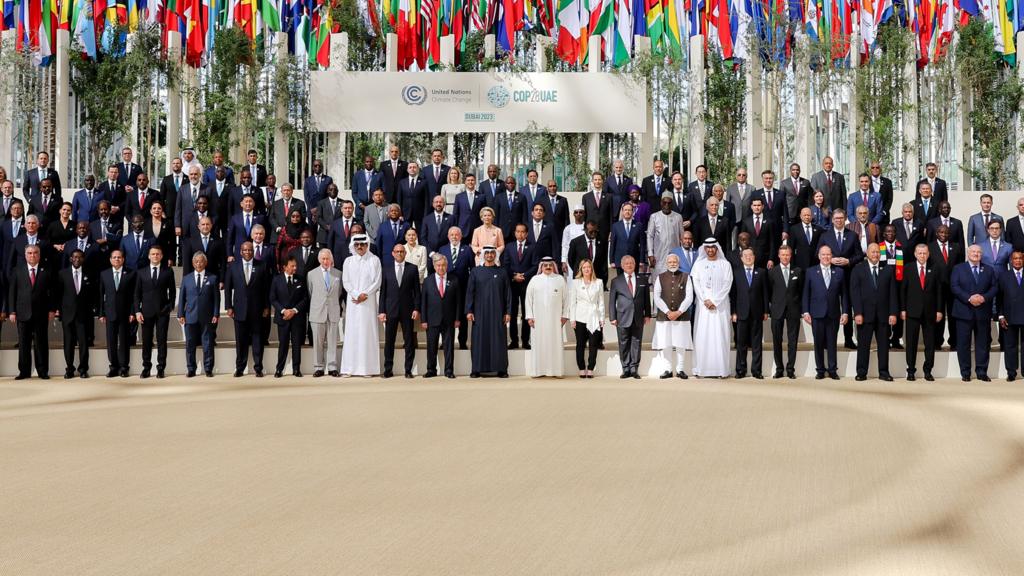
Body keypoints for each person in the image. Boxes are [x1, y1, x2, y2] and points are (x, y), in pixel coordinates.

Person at [849, 244, 898, 381]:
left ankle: (884, 372)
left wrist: (893, 313)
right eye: (873, 252)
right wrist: (857, 313)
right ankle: (861, 372)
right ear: (867, 253)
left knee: (883, 346)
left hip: (883, 315)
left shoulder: (888, 270)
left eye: (877, 252)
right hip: (864, 315)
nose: (875, 254)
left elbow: (892, 293)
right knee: (863, 345)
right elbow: (855, 293)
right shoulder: (858, 269)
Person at [8, 245, 57, 379]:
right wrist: (12, 311)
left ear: (39, 255)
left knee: (41, 343)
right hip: (22, 313)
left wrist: (52, 309)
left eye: (35, 253)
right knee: (23, 344)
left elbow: (52, 292)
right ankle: (24, 371)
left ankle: (42, 371)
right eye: (29, 253)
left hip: (41, 313)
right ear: (25, 255)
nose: (32, 255)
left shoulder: (46, 270)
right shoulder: (17, 270)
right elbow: (12, 292)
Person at [951, 245, 997, 382]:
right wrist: (969, 298)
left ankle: (982, 371)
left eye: (978, 252)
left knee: (982, 343)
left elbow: (994, 287)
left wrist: (984, 297)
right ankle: (965, 372)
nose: (976, 254)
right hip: (964, 311)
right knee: (963, 344)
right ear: (968, 253)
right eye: (973, 251)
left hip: (983, 312)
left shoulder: (989, 269)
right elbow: (954, 286)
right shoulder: (958, 268)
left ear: (981, 255)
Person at [225, 241, 272, 377]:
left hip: (257, 310)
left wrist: (266, 307)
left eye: (250, 250)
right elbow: (228, 288)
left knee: (258, 339)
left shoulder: (262, 266)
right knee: (241, 340)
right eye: (244, 250)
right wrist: (228, 306)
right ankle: (240, 368)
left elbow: (266, 289)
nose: (247, 252)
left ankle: (258, 368)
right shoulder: (233, 266)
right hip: (239, 310)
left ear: (253, 251)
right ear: (240, 252)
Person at [802, 245, 849, 379]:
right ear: (819, 256)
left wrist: (845, 312)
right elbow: (806, 293)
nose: (826, 257)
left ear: (832, 256)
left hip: (833, 314)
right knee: (818, 343)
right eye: (823, 254)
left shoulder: (839, 272)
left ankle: (832, 369)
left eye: (828, 254)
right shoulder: (811, 272)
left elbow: (844, 294)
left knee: (832, 342)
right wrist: (805, 311)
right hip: (816, 314)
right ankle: (820, 370)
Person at [689, 239, 733, 377]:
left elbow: (728, 284)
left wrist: (715, 301)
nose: (710, 250)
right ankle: (702, 369)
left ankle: (721, 370)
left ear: (717, 248)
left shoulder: (725, 265)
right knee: (703, 335)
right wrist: (705, 300)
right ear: (704, 249)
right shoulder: (698, 265)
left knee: (720, 336)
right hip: (704, 307)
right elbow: (696, 284)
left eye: (713, 247)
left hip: (720, 307)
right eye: (707, 248)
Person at [340, 235, 383, 377]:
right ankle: (349, 368)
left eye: (363, 244)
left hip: (368, 302)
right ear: (353, 245)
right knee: (352, 334)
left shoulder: (374, 260)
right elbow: (345, 281)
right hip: (353, 303)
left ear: (367, 245)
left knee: (367, 333)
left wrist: (365, 294)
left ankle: (367, 369)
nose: (360, 247)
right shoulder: (348, 261)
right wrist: (356, 294)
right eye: (357, 244)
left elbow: (377, 281)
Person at [465, 246, 511, 378]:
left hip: (498, 312)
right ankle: (476, 369)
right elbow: (470, 292)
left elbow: (508, 293)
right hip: (479, 313)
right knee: (479, 339)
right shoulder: (475, 271)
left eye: (492, 253)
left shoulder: (502, 272)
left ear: (495, 255)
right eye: (487, 253)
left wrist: (508, 312)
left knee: (499, 340)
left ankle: (501, 369)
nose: (490, 255)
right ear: (483, 255)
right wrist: (469, 310)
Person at [378, 243, 420, 378]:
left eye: (402, 251)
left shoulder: (413, 269)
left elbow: (417, 292)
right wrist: (382, 310)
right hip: (390, 310)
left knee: (409, 341)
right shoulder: (386, 269)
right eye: (397, 251)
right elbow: (383, 292)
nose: (399, 254)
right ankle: (388, 369)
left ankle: (408, 370)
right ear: (392, 253)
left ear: (405, 253)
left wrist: (416, 308)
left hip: (408, 310)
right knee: (389, 341)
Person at [902, 244, 942, 381]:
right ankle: (911, 370)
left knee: (930, 343)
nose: (922, 256)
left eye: (925, 253)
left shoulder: (935, 268)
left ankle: (928, 370)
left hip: (930, 312)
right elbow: (903, 291)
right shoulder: (908, 268)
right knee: (911, 343)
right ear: (915, 254)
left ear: (928, 254)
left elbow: (939, 292)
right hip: (912, 312)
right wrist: (902, 309)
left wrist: (939, 310)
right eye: (920, 253)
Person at [134, 246, 175, 379]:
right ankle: (146, 367)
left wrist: (169, 307)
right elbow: (136, 294)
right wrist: (137, 311)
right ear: (148, 256)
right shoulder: (141, 272)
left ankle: (161, 367)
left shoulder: (168, 271)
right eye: (153, 254)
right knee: (146, 341)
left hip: (163, 311)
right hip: (146, 312)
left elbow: (172, 292)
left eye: (158, 254)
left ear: (161, 256)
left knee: (162, 340)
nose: (155, 256)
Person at [525, 257, 570, 377]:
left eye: (550, 265)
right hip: (537, 320)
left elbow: (566, 300)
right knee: (539, 344)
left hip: (555, 320)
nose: (548, 267)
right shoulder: (534, 280)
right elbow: (528, 300)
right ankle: (538, 371)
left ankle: (555, 371)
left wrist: (565, 316)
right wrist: (530, 316)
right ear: (541, 266)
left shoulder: (560, 279)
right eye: (545, 265)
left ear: (553, 266)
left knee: (554, 344)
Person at [651, 253, 694, 379]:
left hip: (682, 316)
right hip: (665, 317)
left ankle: (680, 369)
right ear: (666, 264)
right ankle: (668, 369)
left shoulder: (686, 277)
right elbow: (656, 297)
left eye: (675, 262)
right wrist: (668, 312)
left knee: (681, 343)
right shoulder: (660, 277)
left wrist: (679, 311)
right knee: (666, 342)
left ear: (678, 263)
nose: (673, 264)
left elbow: (689, 297)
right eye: (670, 262)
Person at [179, 253, 220, 377]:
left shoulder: (212, 278)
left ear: (205, 263)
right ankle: (191, 368)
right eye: (196, 261)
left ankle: (208, 368)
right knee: (190, 344)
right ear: (192, 263)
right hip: (190, 316)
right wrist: (180, 314)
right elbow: (181, 298)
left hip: (207, 317)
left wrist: (216, 314)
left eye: (201, 261)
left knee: (208, 344)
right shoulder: (187, 278)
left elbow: (216, 299)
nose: (199, 264)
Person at [608, 255, 650, 378]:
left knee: (637, 342)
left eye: (631, 263)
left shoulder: (642, 279)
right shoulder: (616, 281)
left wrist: (647, 314)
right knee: (623, 343)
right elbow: (611, 301)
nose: (629, 265)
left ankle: (634, 369)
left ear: (635, 264)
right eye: (626, 263)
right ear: (622, 266)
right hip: (622, 317)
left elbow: (647, 299)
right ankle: (625, 368)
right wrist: (612, 317)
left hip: (638, 317)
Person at [731, 248, 768, 379]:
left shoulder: (762, 272)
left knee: (757, 344)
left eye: (750, 255)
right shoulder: (736, 273)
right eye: (745, 255)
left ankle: (756, 370)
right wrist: (733, 312)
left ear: (754, 256)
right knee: (741, 343)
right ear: (741, 258)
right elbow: (733, 294)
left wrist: (765, 311)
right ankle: (740, 370)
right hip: (741, 313)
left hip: (757, 313)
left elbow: (765, 293)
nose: (748, 257)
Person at [98, 250, 136, 377]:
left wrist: (132, 312)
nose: (117, 259)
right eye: (114, 257)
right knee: (111, 341)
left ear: (123, 259)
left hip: (125, 314)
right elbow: (101, 295)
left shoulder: (130, 274)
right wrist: (101, 313)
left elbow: (133, 295)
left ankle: (124, 367)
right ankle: (113, 367)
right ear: (110, 260)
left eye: (119, 257)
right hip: (110, 313)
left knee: (124, 341)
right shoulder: (104, 274)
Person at [306, 249, 343, 377]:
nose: (326, 261)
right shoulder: (311, 274)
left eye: (328, 259)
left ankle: (332, 367)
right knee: (318, 342)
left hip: (333, 311)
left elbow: (339, 293)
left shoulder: (338, 274)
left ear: (331, 259)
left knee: (332, 341)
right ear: (319, 259)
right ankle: (318, 367)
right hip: (317, 312)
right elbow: (311, 292)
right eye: (323, 259)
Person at [57, 249, 94, 379]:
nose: (77, 259)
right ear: (70, 259)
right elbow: (59, 294)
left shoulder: (89, 273)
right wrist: (59, 312)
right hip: (67, 314)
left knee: (83, 343)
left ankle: (83, 369)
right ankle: (69, 369)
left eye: (79, 257)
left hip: (83, 316)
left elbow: (92, 295)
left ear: (83, 259)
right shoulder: (62, 274)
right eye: (74, 257)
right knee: (68, 343)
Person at [421, 254, 459, 378]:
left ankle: (449, 370)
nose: (441, 268)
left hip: (449, 319)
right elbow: (424, 302)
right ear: (434, 266)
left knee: (449, 347)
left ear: (447, 266)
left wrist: (457, 318)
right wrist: (424, 320)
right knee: (431, 346)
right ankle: (431, 369)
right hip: (432, 319)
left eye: (443, 265)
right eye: (438, 265)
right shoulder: (428, 281)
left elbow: (458, 301)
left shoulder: (454, 279)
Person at [270, 256, 309, 378]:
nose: (295, 268)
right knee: (283, 344)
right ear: (285, 267)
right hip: (283, 318)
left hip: (297, 318)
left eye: (295, 266)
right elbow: (273, 298)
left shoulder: (300, 279)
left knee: (297, 344)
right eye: (292, 266)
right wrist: (283, 311)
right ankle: (279, 369)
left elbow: (305, 298)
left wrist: (294, 310)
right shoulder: (277, 280)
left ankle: (296, 369)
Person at [768, 245, 803, 379]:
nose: (785, 257)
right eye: (783, 255)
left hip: (793, 310)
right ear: (778, 256)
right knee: (777, 340)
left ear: (791, 255)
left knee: (792, 341)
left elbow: (800, 290)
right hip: (777, 310)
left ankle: (790, 369)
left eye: (787, 254)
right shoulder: (772, 272)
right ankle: (779, 368)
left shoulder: (798, 271)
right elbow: (770, 291)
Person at [568, 259, 605, 378]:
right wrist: (572, 319)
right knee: (580, 344)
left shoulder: (598, 282)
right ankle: (581, 368)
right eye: (584, 267)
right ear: (581, 269)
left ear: (592, 268)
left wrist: (602, 318)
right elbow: (572, 302)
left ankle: (590, 368)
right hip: (580, 317)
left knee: (593, 344)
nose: (586, 269)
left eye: (588, 267)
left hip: (594, 316)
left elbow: (601, 302)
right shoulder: (575, 283)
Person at [503, 223, 538, 349]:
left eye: (523, 231)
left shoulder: (532, 247)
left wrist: (524, 275)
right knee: (511, 313)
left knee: (526, 313)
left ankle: (525, 340)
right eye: (518, 231)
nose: (520, 234)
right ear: (515, 233)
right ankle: (513, 340)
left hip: (526, 284)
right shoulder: (509, 247)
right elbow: (505, 264)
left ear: (527, 234)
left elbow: (535, 265)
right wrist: (514, 276)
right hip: (512, 284)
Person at [439, 227, 475, 349]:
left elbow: (472, 268)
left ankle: (462, 342)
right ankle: (445, 342)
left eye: (457, 234)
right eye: (452, 235)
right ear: (448, 236)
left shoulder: (467, 249)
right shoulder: (442, 249)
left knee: (462, 316)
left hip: (463, 288)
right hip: (447, 288)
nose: (454, 237)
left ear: (461, 236)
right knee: (446, 314)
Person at [929, 225, 964, 350]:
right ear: (936, 233)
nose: (944, 234)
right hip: (936, 287)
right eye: (941, 232)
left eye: (946, 233)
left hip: (953, 287)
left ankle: (954, 341)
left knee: (953, 314)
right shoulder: (930, 247)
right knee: (938, 315)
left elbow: (960, 266)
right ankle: (937, 341)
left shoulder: (956, 247)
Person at [998, 251, 1024, 381]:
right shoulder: (1004, 276)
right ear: (1011, 261)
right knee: (1010, 345)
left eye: (1020, 258)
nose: (1018, 261)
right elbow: (999, 298)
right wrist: (1001, 316)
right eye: (1015, 258)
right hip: (1009, 316)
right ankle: (1011, 372)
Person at [647, 193, 684, 274]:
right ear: (661, 203)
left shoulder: (678, 217)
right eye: (664, 203)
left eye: (669, 203)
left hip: (674, 255)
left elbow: (682, 237)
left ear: (672, 204)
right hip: (658, 255)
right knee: (658, 280)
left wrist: (682, 254)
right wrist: (650, 254)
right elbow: (650, 236)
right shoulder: (654, 217)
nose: (666, 205)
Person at [738, 198, 776, 269]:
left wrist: (771, 259)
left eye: (759, 205)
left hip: (765, 258)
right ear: (751, 206)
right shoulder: (746, 222)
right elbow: (742, 241)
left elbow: (772, 242)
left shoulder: (769, 221)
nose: (757, 207)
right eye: (754, 205)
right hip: (749, 257)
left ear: (763, 206)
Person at [567, 221, 608, 285]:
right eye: (591, 232)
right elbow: (571, 260)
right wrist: (580, 270)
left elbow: (603, 262)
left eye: (596, 231)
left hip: (596, 278)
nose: (594, 234)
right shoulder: (575, 242)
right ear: (585, 230)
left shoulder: (602, 242)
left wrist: (604, 279)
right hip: (580, 278)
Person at [609, 203, 644, 274]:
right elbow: (613, 244)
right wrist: (612, 261)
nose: (627, 212)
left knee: (633, 282)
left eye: (629, 210)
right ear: (622, 211)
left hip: (634, 261)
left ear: (633, 212)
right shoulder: (616, 226)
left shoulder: (639, 225)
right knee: (621, 282)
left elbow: (642, 244)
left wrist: (641, 260)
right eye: (625, 210)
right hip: (619, 261)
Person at [494, 177, 528, 243]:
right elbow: (496, 216)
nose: (510, 184)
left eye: (512, 183)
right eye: (508, 183)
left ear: (515, 184)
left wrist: (524, 230)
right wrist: (496, 230)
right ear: (505, 184)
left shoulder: (522, 197)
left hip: (517, 232)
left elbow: (524, 216)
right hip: (502, 231)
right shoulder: (499, 197)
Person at [397, 161, 428, 228]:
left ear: (418, 169)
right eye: (410, 167)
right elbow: (399, 199)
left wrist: (425, 215)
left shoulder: (424, 182)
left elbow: (426, 200)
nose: (412, 169)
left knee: (421, 234)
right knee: (405, 234)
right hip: (405, 214)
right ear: (407, 170)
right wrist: (400, 214)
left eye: (414, 167)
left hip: (420, 214)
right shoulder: (402, 182)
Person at [560, 205, 588, 273]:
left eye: (580, 212)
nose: (578, 214)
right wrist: (563, 261)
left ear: (584, 213)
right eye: (576, 212)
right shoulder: (568, 228)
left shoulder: (587, 227)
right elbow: (565, 245)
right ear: (573, 214)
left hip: (585, 259)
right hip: (571, 258)